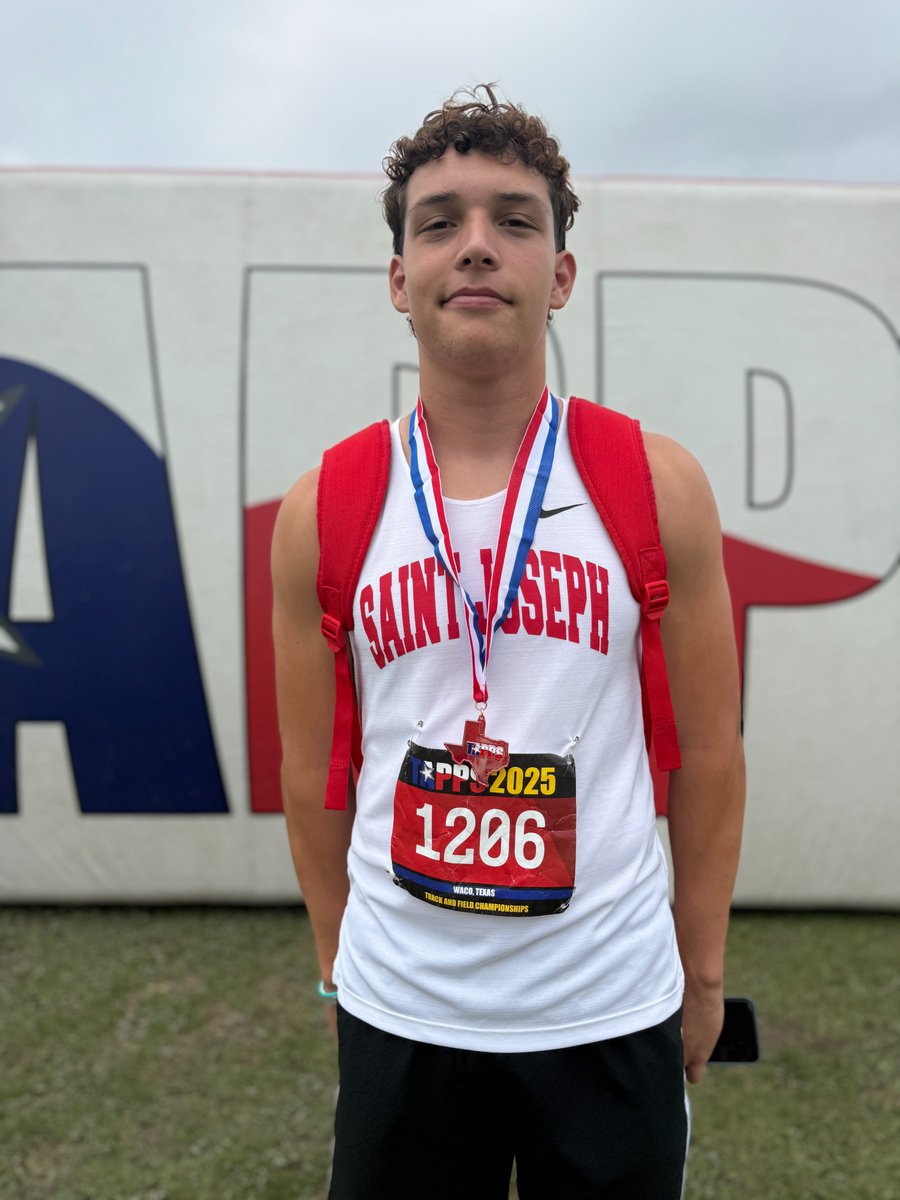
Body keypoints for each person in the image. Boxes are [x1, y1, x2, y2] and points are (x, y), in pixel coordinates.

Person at [272, 84, 745, 1200]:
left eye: (514, 221)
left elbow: (713, 756)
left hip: (609, 1001)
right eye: (439, 222)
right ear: (399, 278)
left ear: (561, 274)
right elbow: (309, 774)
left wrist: (704, 965)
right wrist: (343, 969)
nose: (475, 247)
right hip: (403, 1009)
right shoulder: (327, 503)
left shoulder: (653, 482)